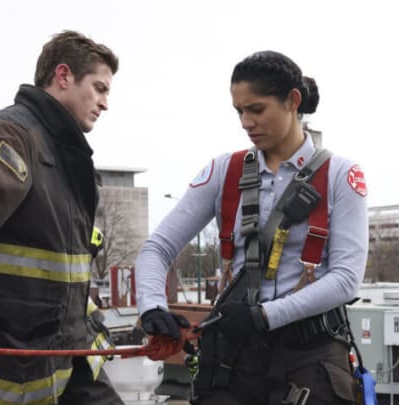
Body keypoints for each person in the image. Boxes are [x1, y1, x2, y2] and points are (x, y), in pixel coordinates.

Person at [135, 50, 369, 404]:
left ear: (292, 101)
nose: (245, 122)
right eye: (239, 111)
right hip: (234, 363)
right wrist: (151, 307)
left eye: (256, 109)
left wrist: (265, 316)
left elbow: (346, 278)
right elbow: (157, 248)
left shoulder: (340, 176)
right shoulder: (221, 172)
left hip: (310, 360)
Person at [0, 31, 123, 404]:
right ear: (63, 76)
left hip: (63, 365)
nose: (104, 103)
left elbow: (62, 272)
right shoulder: (8, 139)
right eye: (99, 88)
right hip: (1, 379)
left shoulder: (63, 158)